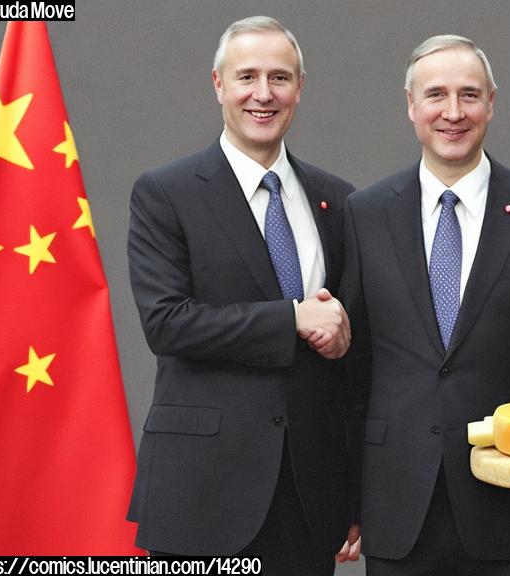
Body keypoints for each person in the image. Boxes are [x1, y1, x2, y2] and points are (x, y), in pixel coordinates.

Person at [339, 34, 510, 574]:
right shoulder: (365, 214)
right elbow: (352, 370)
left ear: (492, 103)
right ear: (411, 105)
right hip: (397, 505)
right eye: (436, 95)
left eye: (469, 95)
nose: (453, 112)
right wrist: (344, 493)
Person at [126, 16, 360, 573]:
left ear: (299, 88)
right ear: (218, 85)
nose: (263, 94)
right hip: (202, 491)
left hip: (308, 497)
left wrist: (352, 493)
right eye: (247, 76)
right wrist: (292, 320)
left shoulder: (338, 200)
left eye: (279, 78)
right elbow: (167, 323)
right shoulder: (166, 193)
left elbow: (350, 357)